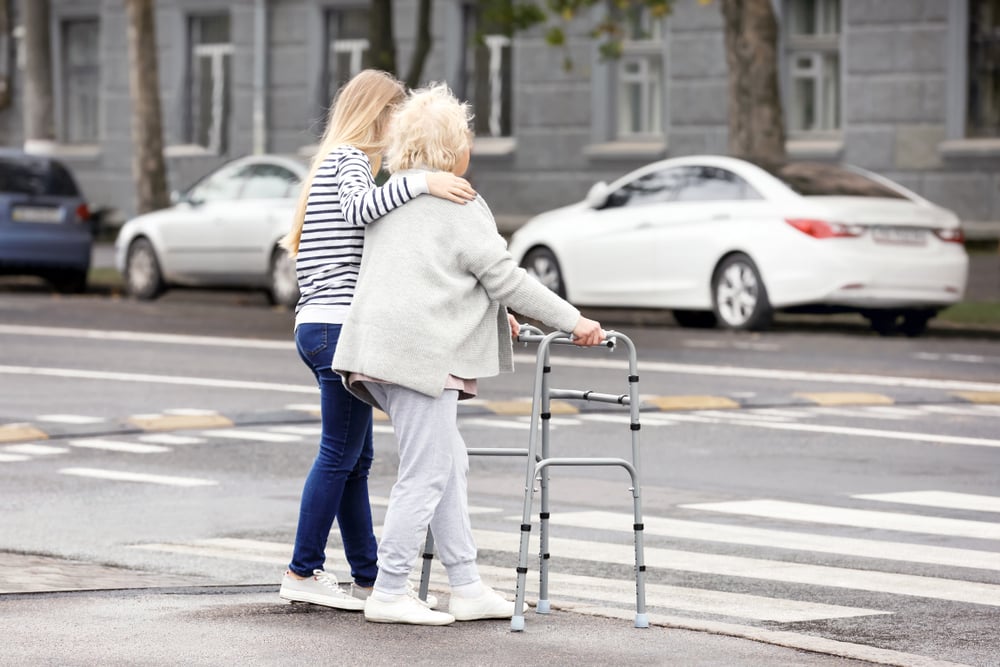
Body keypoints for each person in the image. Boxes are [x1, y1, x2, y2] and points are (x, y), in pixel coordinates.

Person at [332, 83, 605, 626]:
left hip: (375, 351)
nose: (470, 150)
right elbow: (506, 278)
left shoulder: (396, 194)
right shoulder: (457, 199)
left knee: (446, 463)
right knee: (427, 472)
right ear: (451, 147)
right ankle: (389, 590)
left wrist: (483, 310)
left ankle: (466, 583)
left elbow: (427, 274)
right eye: (467, 140)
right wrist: (574, 321)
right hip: (419, 356)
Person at [277, 70, 476, 610]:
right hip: (336, 326)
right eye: (397, 117)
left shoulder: (336, 161)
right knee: (339, 455)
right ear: (379, 114)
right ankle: (303, 570)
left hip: (322, 324)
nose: (400, 131)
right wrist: (422, 183)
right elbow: (360, 210)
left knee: (354, 458)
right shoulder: (346, 159)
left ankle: (367, 577)